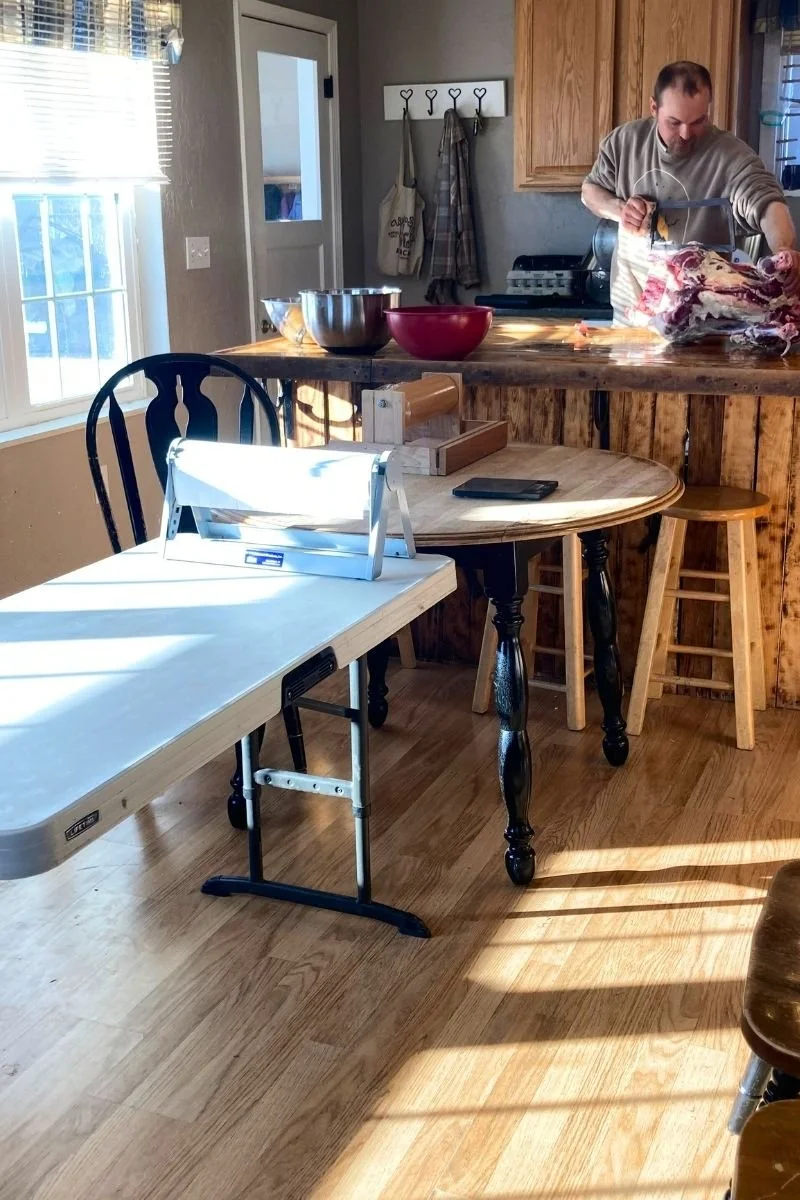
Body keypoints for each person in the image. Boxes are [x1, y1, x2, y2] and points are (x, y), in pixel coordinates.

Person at [581, 60, 800, 322]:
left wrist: (784, 250)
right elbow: (590, 191)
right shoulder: (624, 143)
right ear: (654, 108)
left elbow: (767, 202)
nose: (686, 134)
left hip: (705, 320)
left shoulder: (731, 156)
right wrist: (620, 209)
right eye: (674, 122)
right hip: (634, 317)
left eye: (698, 121)